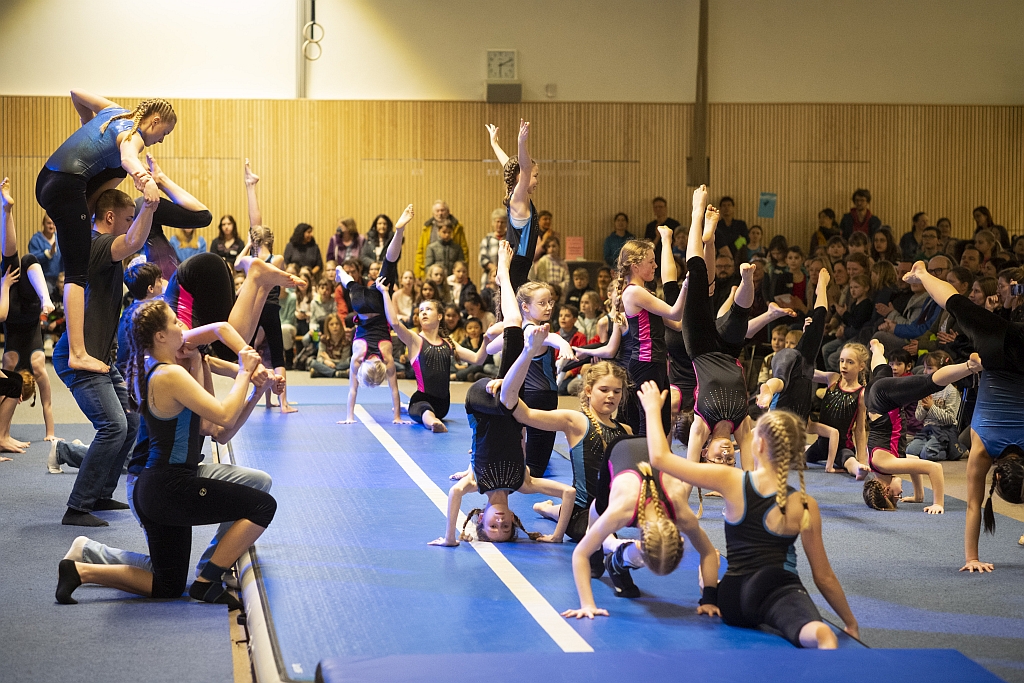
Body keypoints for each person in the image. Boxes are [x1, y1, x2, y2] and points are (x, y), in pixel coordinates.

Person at [54, 299, 276, 608]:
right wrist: (244, 372)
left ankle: (81, 571)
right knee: (262, 507)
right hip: (168, 486)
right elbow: (224, 414)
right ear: (160, 336)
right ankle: (208, 580)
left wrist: (254, 390)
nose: (183, 328)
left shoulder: (158, 369)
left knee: (167, 584)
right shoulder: (168, 375)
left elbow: (220, 430)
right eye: (175, 323)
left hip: (160, 488)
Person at [639, 385, 859, 648]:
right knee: (821, 634)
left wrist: (653, 411)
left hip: (734, 599)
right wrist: (850, 623)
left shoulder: (732, 480)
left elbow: (660, 458)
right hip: (778, 592)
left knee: (714, 559)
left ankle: (710, 589)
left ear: (760, 444)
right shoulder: (804, 504)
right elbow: (823, 576)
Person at [430, 260, 575, 546]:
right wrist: (557, 537)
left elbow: (454, 493)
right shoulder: (523, 483)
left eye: (493, 527)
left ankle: (523, 338)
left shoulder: (475, 484)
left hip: (481, 400)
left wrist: (450, 537)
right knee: (513, 332)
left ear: (480, 518)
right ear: (513, 519)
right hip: (509, 401)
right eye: (507, 526)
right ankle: (505, 281)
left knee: (513, 348)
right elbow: (568, 494)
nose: (500, 522)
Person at [36, 91, 174, 374]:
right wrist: (145, 179)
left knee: (114, 175)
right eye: (165, 132)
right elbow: (127, 157)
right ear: (155, 119)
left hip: (47, 179)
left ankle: (89, 213)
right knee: (76, 273)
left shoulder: (115, 111)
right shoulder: (131, 135)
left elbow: (76, 93)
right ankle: (77, 352)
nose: (162, 139)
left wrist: (86, 124)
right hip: (66, 187)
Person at [901, 261, 1024, 571]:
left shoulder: (987, 450)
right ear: (997, 477)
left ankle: (923, 274)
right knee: (957, 304)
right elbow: (973, 506)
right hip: (995, 353)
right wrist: (971, 559)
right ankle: (923, 274)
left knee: (956, 304)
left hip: (1012, 358)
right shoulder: (982, 450)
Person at [50, 187, 156, 526]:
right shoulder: (97, 245)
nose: (131, 225)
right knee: (113, 426)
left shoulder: (102, 250)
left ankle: (99, 494)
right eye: (127, 219)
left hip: (101, 357)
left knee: (131, 423)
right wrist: (149, 207)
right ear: (110, 218)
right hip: (78, 357)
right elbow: (133, 242)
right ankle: (78, 507)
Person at [561, 428, 721, 613]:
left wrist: (708, 600)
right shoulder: (622, 510)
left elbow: (708, 552)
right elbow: (580, 553)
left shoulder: (681, 511)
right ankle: (599, 552)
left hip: (651, 450)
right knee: (599, 508)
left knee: (600, 530)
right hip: (620, 449)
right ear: (640, 545)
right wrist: (587, 605)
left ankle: (604, 552)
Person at [861, 339, 980, 514]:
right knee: (881, 371)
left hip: (883, 400)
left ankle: (970, 365)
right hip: (873, 398)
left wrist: (938, 503)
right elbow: (913, 463)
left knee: (929, 383)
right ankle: (876, 349)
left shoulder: (886, 465)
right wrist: (918, 496)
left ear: (886, 491)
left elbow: (934, 468)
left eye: (896, 497)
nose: (900, 494)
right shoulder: (881, 465)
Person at [378, 276, 491, 432]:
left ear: (439, 316)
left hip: (443, 404)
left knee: (432, 410)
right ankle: (432, 423)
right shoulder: (414, 340)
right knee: (425, 410)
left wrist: (486, 341)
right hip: (421, 401)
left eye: (428, 309)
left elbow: (478, 359)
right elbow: (395, 323)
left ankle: (429, 417)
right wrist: (385, 292)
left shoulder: (448, 343)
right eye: (421, 310)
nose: (423, 313)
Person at [338, 205, 416, 426]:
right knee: (352, 284)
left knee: (389, 265)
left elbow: (394, 392)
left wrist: (397, 416)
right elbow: (353, 389)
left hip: (379, 301)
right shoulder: (360, 357)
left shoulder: (386, 356)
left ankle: (398, 231)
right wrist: (349, 417)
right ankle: (341, 273)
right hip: (361, 306)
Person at [235, 161, 298, 413]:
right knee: (258, 352)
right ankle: (273, 400)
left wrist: (249, 247)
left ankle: (281, 402)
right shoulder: (271, 259)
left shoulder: (265, 261)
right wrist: (251, 245)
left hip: (262, 309)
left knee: (265, 351)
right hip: (264, 309)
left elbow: (240, 262)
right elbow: (246, 256)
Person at [0, 180, 57, 443]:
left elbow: (45, 405)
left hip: (16, 310)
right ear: (22, 395)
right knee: (20, 261)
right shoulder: (33, 367)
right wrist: (50, 435)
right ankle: (6, 212)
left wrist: (50, 433)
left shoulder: (15, 365)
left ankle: (7, 211)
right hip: (20, 311)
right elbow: (46, 404)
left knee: (18, 262)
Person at [617, 230, 684, 436]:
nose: (655, 266)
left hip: (656, 362)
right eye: (651, 262)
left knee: (661, 425)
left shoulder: (646, 293)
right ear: (636, 266)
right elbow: (674, 311)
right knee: (649, 424)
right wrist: (687, 286)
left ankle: (654, 464)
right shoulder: (634, 292)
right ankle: (643, 465)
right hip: (645, 362)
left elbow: (677, 323)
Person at [486, 122, 540, 292]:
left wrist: (495, 144)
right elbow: (523, 167)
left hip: (518, 268)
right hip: (516, 268)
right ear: (520, 177)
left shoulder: (515, 195)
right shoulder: (518, 198)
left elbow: (509, 166)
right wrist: (521, 142)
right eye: (535, 176)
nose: (537, 181)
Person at [807, 343, 872, 477]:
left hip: (843, 446)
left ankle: (858, 469)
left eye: (850, 362)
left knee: (849, 462)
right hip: (821, 444)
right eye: (842, 361)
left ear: (861, 366)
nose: (844, 365)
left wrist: (862, 460)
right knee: (801, 458)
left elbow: (860, 429)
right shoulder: (833, 379)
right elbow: (807, 373)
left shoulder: (860, 393)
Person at [415, 200, 469, 279]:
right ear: (433, 213)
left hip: (453, 275)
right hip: (434, 274)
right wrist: (419, 273)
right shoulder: (427, 228)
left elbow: (464, 250)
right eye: (437, 211)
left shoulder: (457, 227)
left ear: (448, 212)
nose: (440, 213)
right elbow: (420, 251)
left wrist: (463, 271)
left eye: (442, 210)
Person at [28, 213, 62, 292]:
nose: (51, 226)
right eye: (49, 223)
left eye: (53, 224)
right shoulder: (36, 240)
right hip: (43, 280)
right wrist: (48, 253)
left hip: (60, 280)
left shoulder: (60, 238)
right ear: (43, 223)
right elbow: (33, 259)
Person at [478, 208, 508, 288]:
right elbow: (483, 259)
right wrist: (495, 269)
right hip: (489, 278)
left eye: (502, 222)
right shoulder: (487, 240)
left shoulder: (509, 239)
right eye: (497, 222)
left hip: (506, 277)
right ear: (493, 223)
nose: (499, 224)